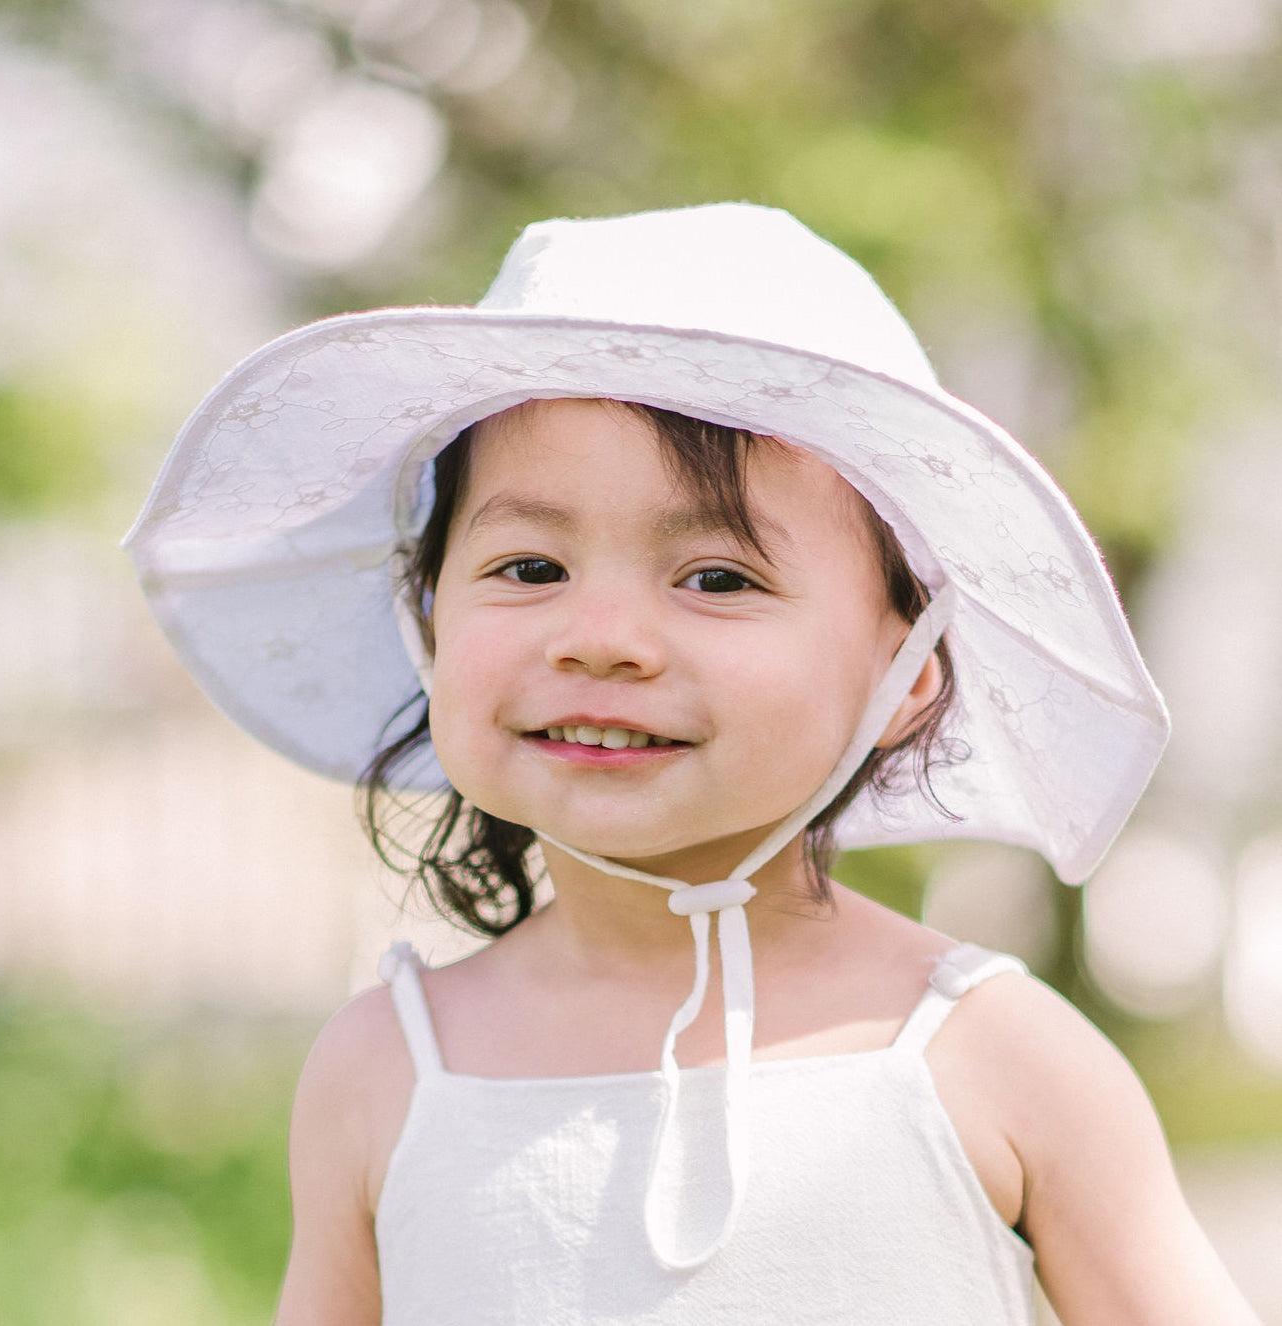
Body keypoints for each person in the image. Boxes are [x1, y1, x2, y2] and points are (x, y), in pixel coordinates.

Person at [126, 203, 1261, 1324]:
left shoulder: (994, 1056)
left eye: (717, 578)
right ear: (425, 619)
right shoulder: (388, 1071)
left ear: (908, 668)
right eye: (530, 568)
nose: (600, 637)